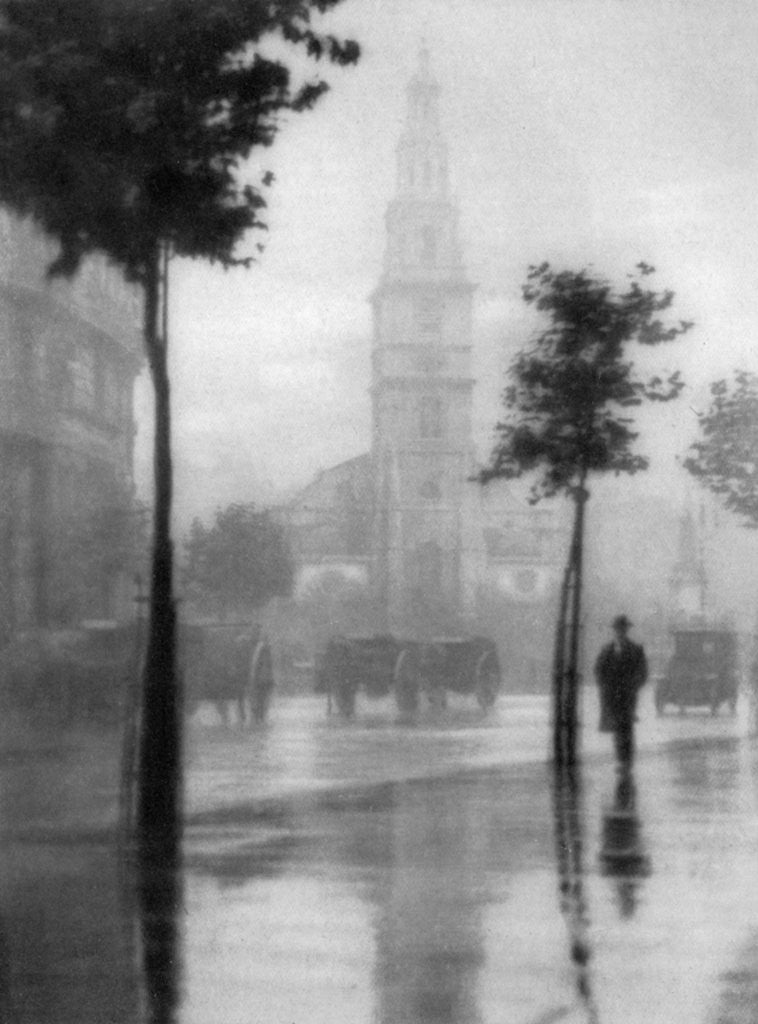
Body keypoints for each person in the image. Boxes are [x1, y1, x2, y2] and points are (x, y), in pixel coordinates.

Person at [595, 614, 648, 770]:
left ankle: (626, 760)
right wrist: (604, 685)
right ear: (615, 631)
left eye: (623, 629)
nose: (620, 632)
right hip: (611, 696)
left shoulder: (636, 650)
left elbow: (642, 673)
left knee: (626, 727)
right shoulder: (606, 650)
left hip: (627, 696)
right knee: (617, 728)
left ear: (627, 630)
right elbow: (598, 670)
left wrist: (633, 686)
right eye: (618, 629)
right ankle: (621, 759)